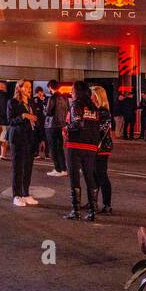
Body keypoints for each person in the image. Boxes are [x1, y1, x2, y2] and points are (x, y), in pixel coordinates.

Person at [63, 81, 101, 221]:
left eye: (72, 90)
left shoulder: (76, 104)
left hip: (76, 144)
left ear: (77, 92)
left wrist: (67, 128)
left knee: (74, 177)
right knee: (89, 177)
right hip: (91, 146)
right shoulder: (94, 107)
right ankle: (93, 211)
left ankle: (76, 210)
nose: (71, 93)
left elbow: (77, 123)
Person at [7, 79, 38, 207]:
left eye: (30, 86)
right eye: (26, 87)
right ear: (19, 88)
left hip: (30, 138)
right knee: (18, 168)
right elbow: (10, 120)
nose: (29, 89)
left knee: (28, 167)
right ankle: (17, 195)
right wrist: (24, 116)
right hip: (17, 138)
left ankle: (26, 193)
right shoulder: (12, 102)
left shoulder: (31, 102)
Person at [90, 86, 115, 215]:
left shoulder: (103, 112)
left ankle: (107, 204)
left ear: (98, 97)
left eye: (93, 95)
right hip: (94, 146)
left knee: (101, 174)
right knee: (93, 175)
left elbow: (101, 129)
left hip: (102, 147)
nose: (91, 97)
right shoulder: (95, 110)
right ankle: (92, 201)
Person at [44, 82, 68, 176]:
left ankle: (57, 169)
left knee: (53, 148)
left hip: (52, 125)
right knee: (60, 148)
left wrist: (44, 109)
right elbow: (68, 110)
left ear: (50, 87)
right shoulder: (65, 98)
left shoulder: (52, 98)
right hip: (61, 125)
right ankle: (63, 169)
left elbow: (48, 112)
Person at [31, 86, 48, 159]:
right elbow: (35, 110)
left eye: (42, 93)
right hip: (38, 121)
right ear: (37, 93)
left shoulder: (46, 99)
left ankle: (47, 153)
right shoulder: (34, 100)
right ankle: (36, 153)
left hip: (45, 122)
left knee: (45, 138)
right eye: (39, 93)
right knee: (36, 138)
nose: (41, 94)